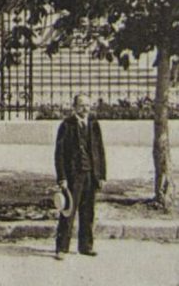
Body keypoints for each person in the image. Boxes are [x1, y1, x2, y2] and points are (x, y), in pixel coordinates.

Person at [54, 92, 106, 260]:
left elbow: (100, 151)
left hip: (91, 174)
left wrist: (102, 175)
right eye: (82, 105)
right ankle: (61, 248)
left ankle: (86, 246)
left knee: (88, 211)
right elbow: (59, 154)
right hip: (73, 176)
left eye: (88, 105)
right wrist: (62, 177)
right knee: (68, 211)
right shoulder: (67, 125)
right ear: (74, 107)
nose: (85, 109)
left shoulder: (94, 124)